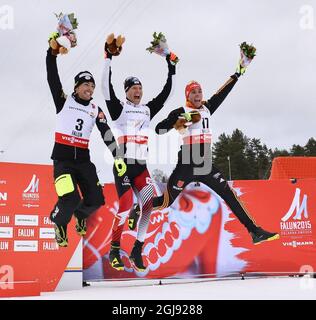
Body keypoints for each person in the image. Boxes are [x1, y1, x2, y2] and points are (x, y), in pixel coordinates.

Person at [129, 46, 280, 245]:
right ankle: (139, 208)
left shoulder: (207, 108)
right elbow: (159, 129)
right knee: (166, 202)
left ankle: (255, 232)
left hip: (206, 165)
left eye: (200, 91)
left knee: (230, 195)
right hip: (187, 165)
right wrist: (180, 121)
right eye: (193, 92)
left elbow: (222, 92)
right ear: (187, 96)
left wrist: (239, 71)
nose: (198, 94)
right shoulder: (181, 110)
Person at [101, 34, 177, 271]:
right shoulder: (119, 109)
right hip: (123, 163)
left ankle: (137, 249)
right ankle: (114, 247)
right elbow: (105, 87)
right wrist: (108, 58)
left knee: (148, 204)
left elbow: (167, 95)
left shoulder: (146, 110)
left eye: (140, 88)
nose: (138, 91)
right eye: (134, 88)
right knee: (124, 205)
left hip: (141, 166)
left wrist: (170, 66)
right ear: (126, 91)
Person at [46, 36, 126, 247]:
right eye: (85, 85)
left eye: (91, 85)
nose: (89, 88)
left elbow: (105, 131)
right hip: (62, 160)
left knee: (96, 200)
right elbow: (52, 77)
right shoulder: (64, 101)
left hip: (83, 160)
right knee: (70, 198)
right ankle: (58, 222)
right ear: (76, 87)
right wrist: (51, 54)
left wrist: (117, 155)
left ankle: (80, 216)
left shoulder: (95, 109)